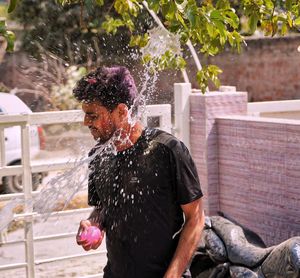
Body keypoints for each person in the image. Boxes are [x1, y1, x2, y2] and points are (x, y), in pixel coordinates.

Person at [74, 66, 205, 278]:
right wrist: (94, 223)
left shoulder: (168, 151)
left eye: (92, 115)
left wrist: (171, 276)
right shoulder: (98, 156)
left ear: (121, 111)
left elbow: (196, 219)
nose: (86, 122)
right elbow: (104, 207)